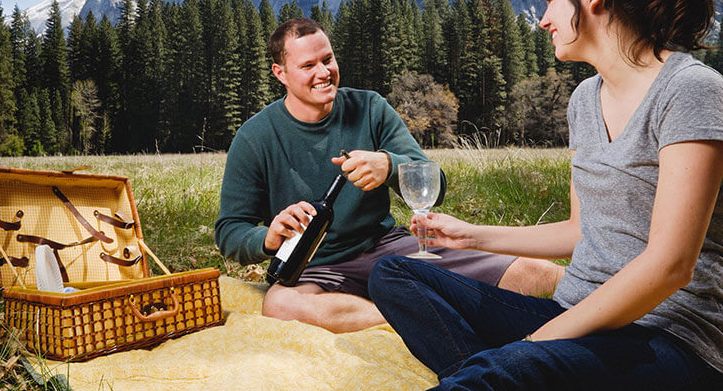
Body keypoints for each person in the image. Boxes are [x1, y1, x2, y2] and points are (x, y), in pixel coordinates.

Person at [368, 0, 723, 390]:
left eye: (552, 0)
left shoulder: (690, 90)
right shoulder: (584, 98)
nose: (542, 20)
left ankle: (500, 374)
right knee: (394, 274)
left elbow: (670, 265)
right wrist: (471, 236)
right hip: (575, 313)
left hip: (666, 335)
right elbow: (580, 232)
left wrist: (536, 343)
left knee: (513, 366)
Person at [215, 17, 563, 333]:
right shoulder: (254, 137)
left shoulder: (370, 108)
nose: (323, 72)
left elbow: (436, 185)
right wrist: (269, 238)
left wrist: (390, 166)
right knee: (279, 304)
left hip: (390, 249)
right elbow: (230, 230)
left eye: (328, 59)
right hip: (315, 269)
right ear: (281, 73)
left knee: (539, 274)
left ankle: (608, 318)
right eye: (308, 65)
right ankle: (421, 312)